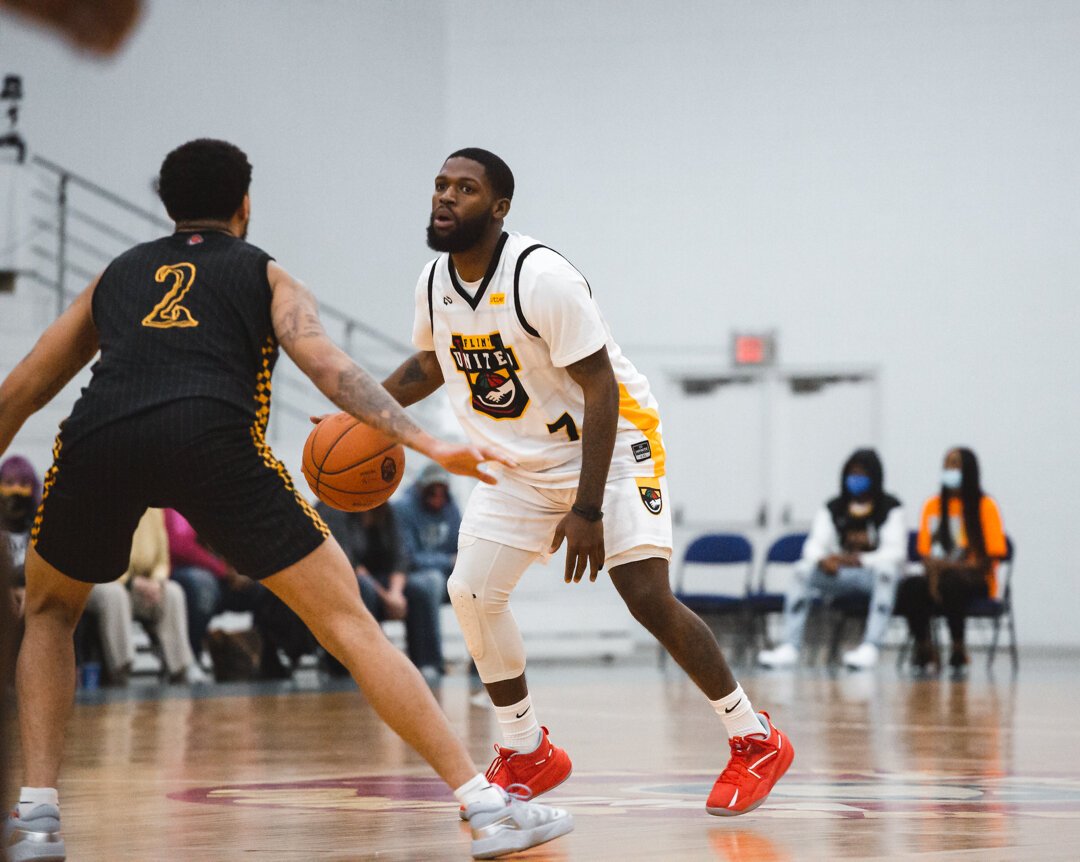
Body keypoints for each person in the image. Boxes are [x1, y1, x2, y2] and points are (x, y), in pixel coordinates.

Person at [0, 138, 571, 861]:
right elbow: (333, 372)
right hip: (213, 438)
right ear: (244, 204)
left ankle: (38, 818)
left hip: (100, 437)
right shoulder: (266, 274)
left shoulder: (115, 274)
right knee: (348, 623)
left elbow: (22, 389)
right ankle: (485, 808)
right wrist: (430, 445)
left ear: (167, 205)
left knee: (49, 612)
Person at [377, 148, 793, 817]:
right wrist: (364, 412)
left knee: (643, 592)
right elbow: (429, 365)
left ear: (500, 206)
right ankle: (527, 749)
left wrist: (588, 509)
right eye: (439, 185)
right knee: (472, 591)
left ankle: (755, 738)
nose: (446, 197)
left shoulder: (542, 277)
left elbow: (600, 389)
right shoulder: (433, 282)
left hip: (613, 443)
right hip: (519, 461)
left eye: (465, 188)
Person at [757, 449, 906, 670]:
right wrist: (822, 560)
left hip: (871, 575)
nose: (856, 480)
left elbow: (896, 552)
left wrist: (860, 560)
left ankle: (871, 646)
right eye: (851, 474)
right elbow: (813, 546)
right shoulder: (834, 507)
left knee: (887, 571)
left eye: (862, 475)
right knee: (801, 571)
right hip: (839, 574)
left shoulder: (889, 507)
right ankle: (790, 646)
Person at [894, 447, 1007, 673]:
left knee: (952, 583)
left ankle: (958, 647)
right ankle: (924, 647)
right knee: (910, 587)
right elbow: (924, 553)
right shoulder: (932, 506)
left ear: (969, 470)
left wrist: (947, 568)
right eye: (946, 465)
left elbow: (990, 557)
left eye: (955, 465)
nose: (949, 470)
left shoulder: (985, 506)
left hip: (974, 579)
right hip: (936, 576)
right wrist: (934, 573)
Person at [317, 501, 444, 683]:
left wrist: (395, 593)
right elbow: (347, 563)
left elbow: (400, 557)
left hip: (381, 580)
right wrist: (386, 597)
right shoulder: (333, 508)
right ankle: (370, 661)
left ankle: (427, 664)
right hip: (342, 581)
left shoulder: (384, 507)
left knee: (420, 590)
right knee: (364, 588)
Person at [165, 507, 264, 665]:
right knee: (202, 586)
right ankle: (190, 656)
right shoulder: (172, 501)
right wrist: (223, 570)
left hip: (222, 570)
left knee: (265, 584)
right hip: (181, 572)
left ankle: (265, 656)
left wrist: (244, 566)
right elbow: (180, 545)